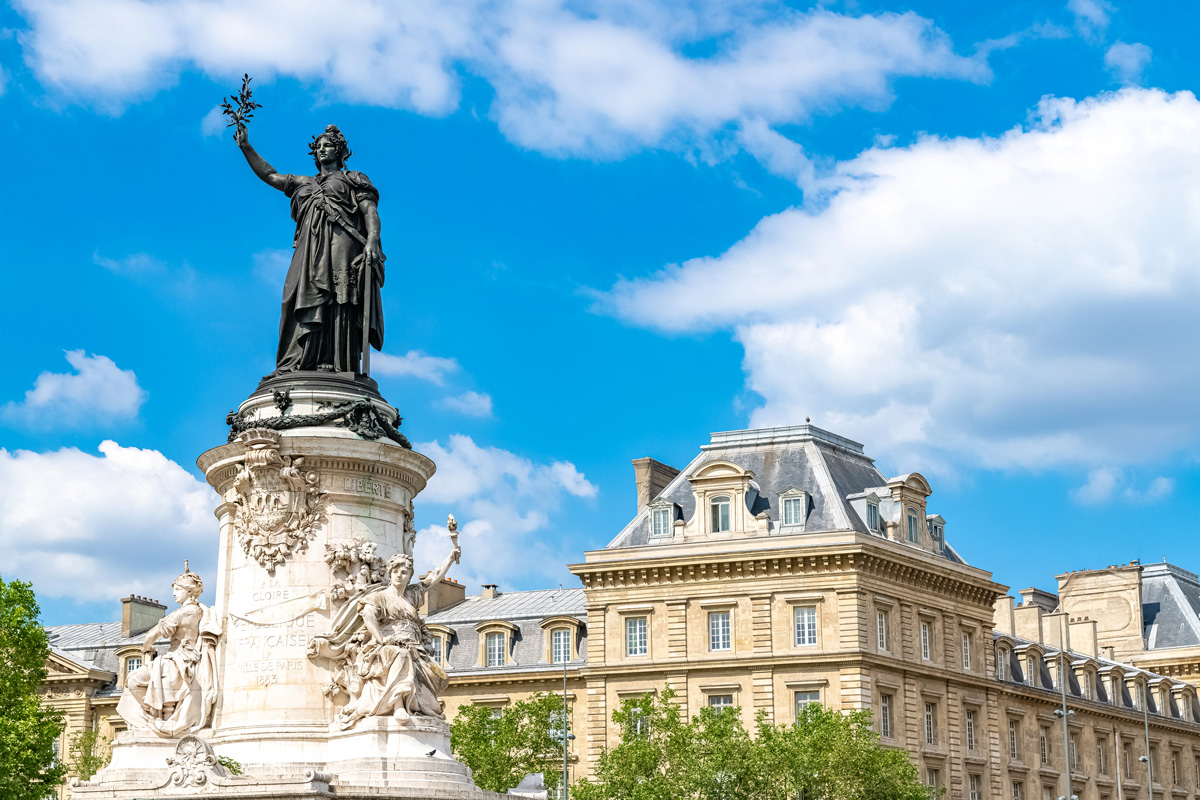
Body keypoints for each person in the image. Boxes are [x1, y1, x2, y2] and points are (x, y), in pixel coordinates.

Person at [234, 123, 385, 375]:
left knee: (340, 296)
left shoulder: (353, 179)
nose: (322, 150)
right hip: (308, 249)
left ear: (340, 151)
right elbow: (270, 176)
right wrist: (246, 147)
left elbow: (370, 211)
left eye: (328, 146)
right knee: (293, 296)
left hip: (341, 244)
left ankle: (337, 363)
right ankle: (299, 361)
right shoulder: (303, 182)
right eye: (319, 147)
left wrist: (372, 240)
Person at [308, 543, 460, 730]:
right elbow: (368, 615)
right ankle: (397, 705)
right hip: (385, 645)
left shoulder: (412, 595)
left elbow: (433, 579)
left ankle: (413, 705)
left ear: (409, 576)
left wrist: (451, 557)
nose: (399, 575)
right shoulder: (381, 597)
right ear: (390, 573)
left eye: (404, 572)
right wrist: (381, 639)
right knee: (400, 655)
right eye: (395, 571)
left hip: (413, 646)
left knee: (438, 675)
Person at [116, 567, 222, 737]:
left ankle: (150, 718)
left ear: (189, 592)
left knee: (134, 681)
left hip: (175, 660)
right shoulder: (202, 611)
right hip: (188, 660)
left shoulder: (182, 613)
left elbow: (151, 635)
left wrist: (146, 648)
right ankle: (155, 717)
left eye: (178, 589)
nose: (174, 593)